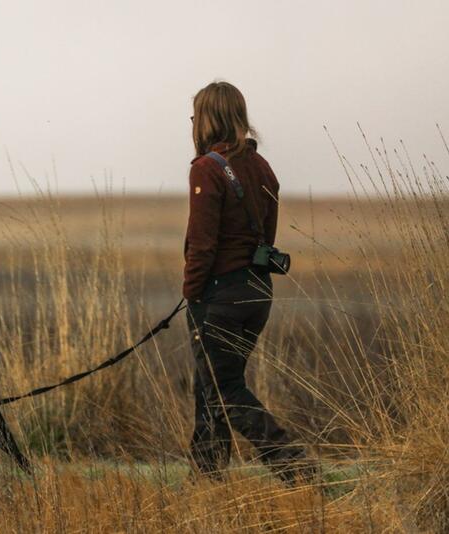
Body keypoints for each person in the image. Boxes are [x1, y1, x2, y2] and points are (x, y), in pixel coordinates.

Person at [183, 81, 310, 484]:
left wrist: (192, 293)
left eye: (195, 116)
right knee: (213, 385)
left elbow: (202, 245)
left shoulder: (206, 168)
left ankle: (293, 466)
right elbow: (266, 237)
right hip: (258, 292)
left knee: (223, 390)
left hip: (219, 296)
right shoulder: (261, 166)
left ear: (207, 119)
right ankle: (207, 478)